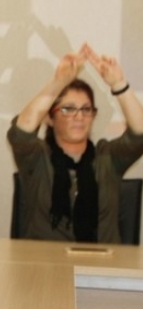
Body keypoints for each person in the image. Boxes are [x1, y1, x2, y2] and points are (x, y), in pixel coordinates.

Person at [8, 43, 143, 243]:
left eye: (86, 109)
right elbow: (21, 132)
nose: (79, 116)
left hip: (101, 261)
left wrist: (119, 84)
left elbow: (140, 133)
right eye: (68, 109)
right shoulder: (36, 157)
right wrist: (58, 82)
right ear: (49, 118)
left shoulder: (108, 157)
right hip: (44, 261)